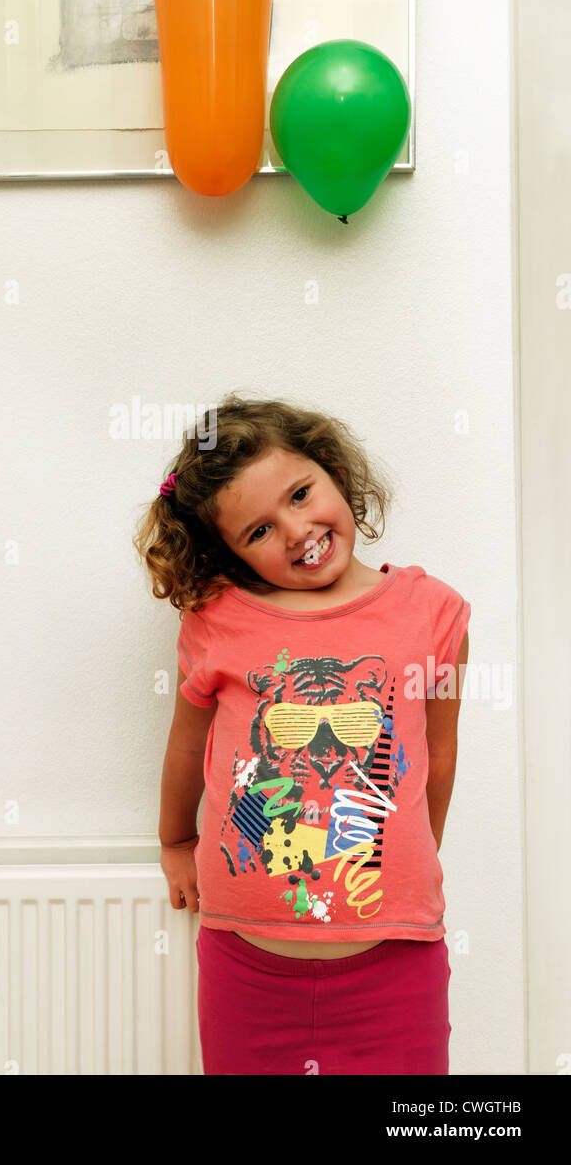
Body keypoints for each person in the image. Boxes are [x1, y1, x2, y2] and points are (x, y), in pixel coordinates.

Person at [133, 392, 471, 1076]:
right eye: (257, 531)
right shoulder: (217, 620)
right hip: (246, 966)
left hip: (395, 960)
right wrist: (174, 839)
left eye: (299, 494)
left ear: (334, 471)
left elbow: (437, 751)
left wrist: (411, 846)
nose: (293, 531)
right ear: (226, 552)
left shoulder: (433, 614)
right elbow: (185, 745)